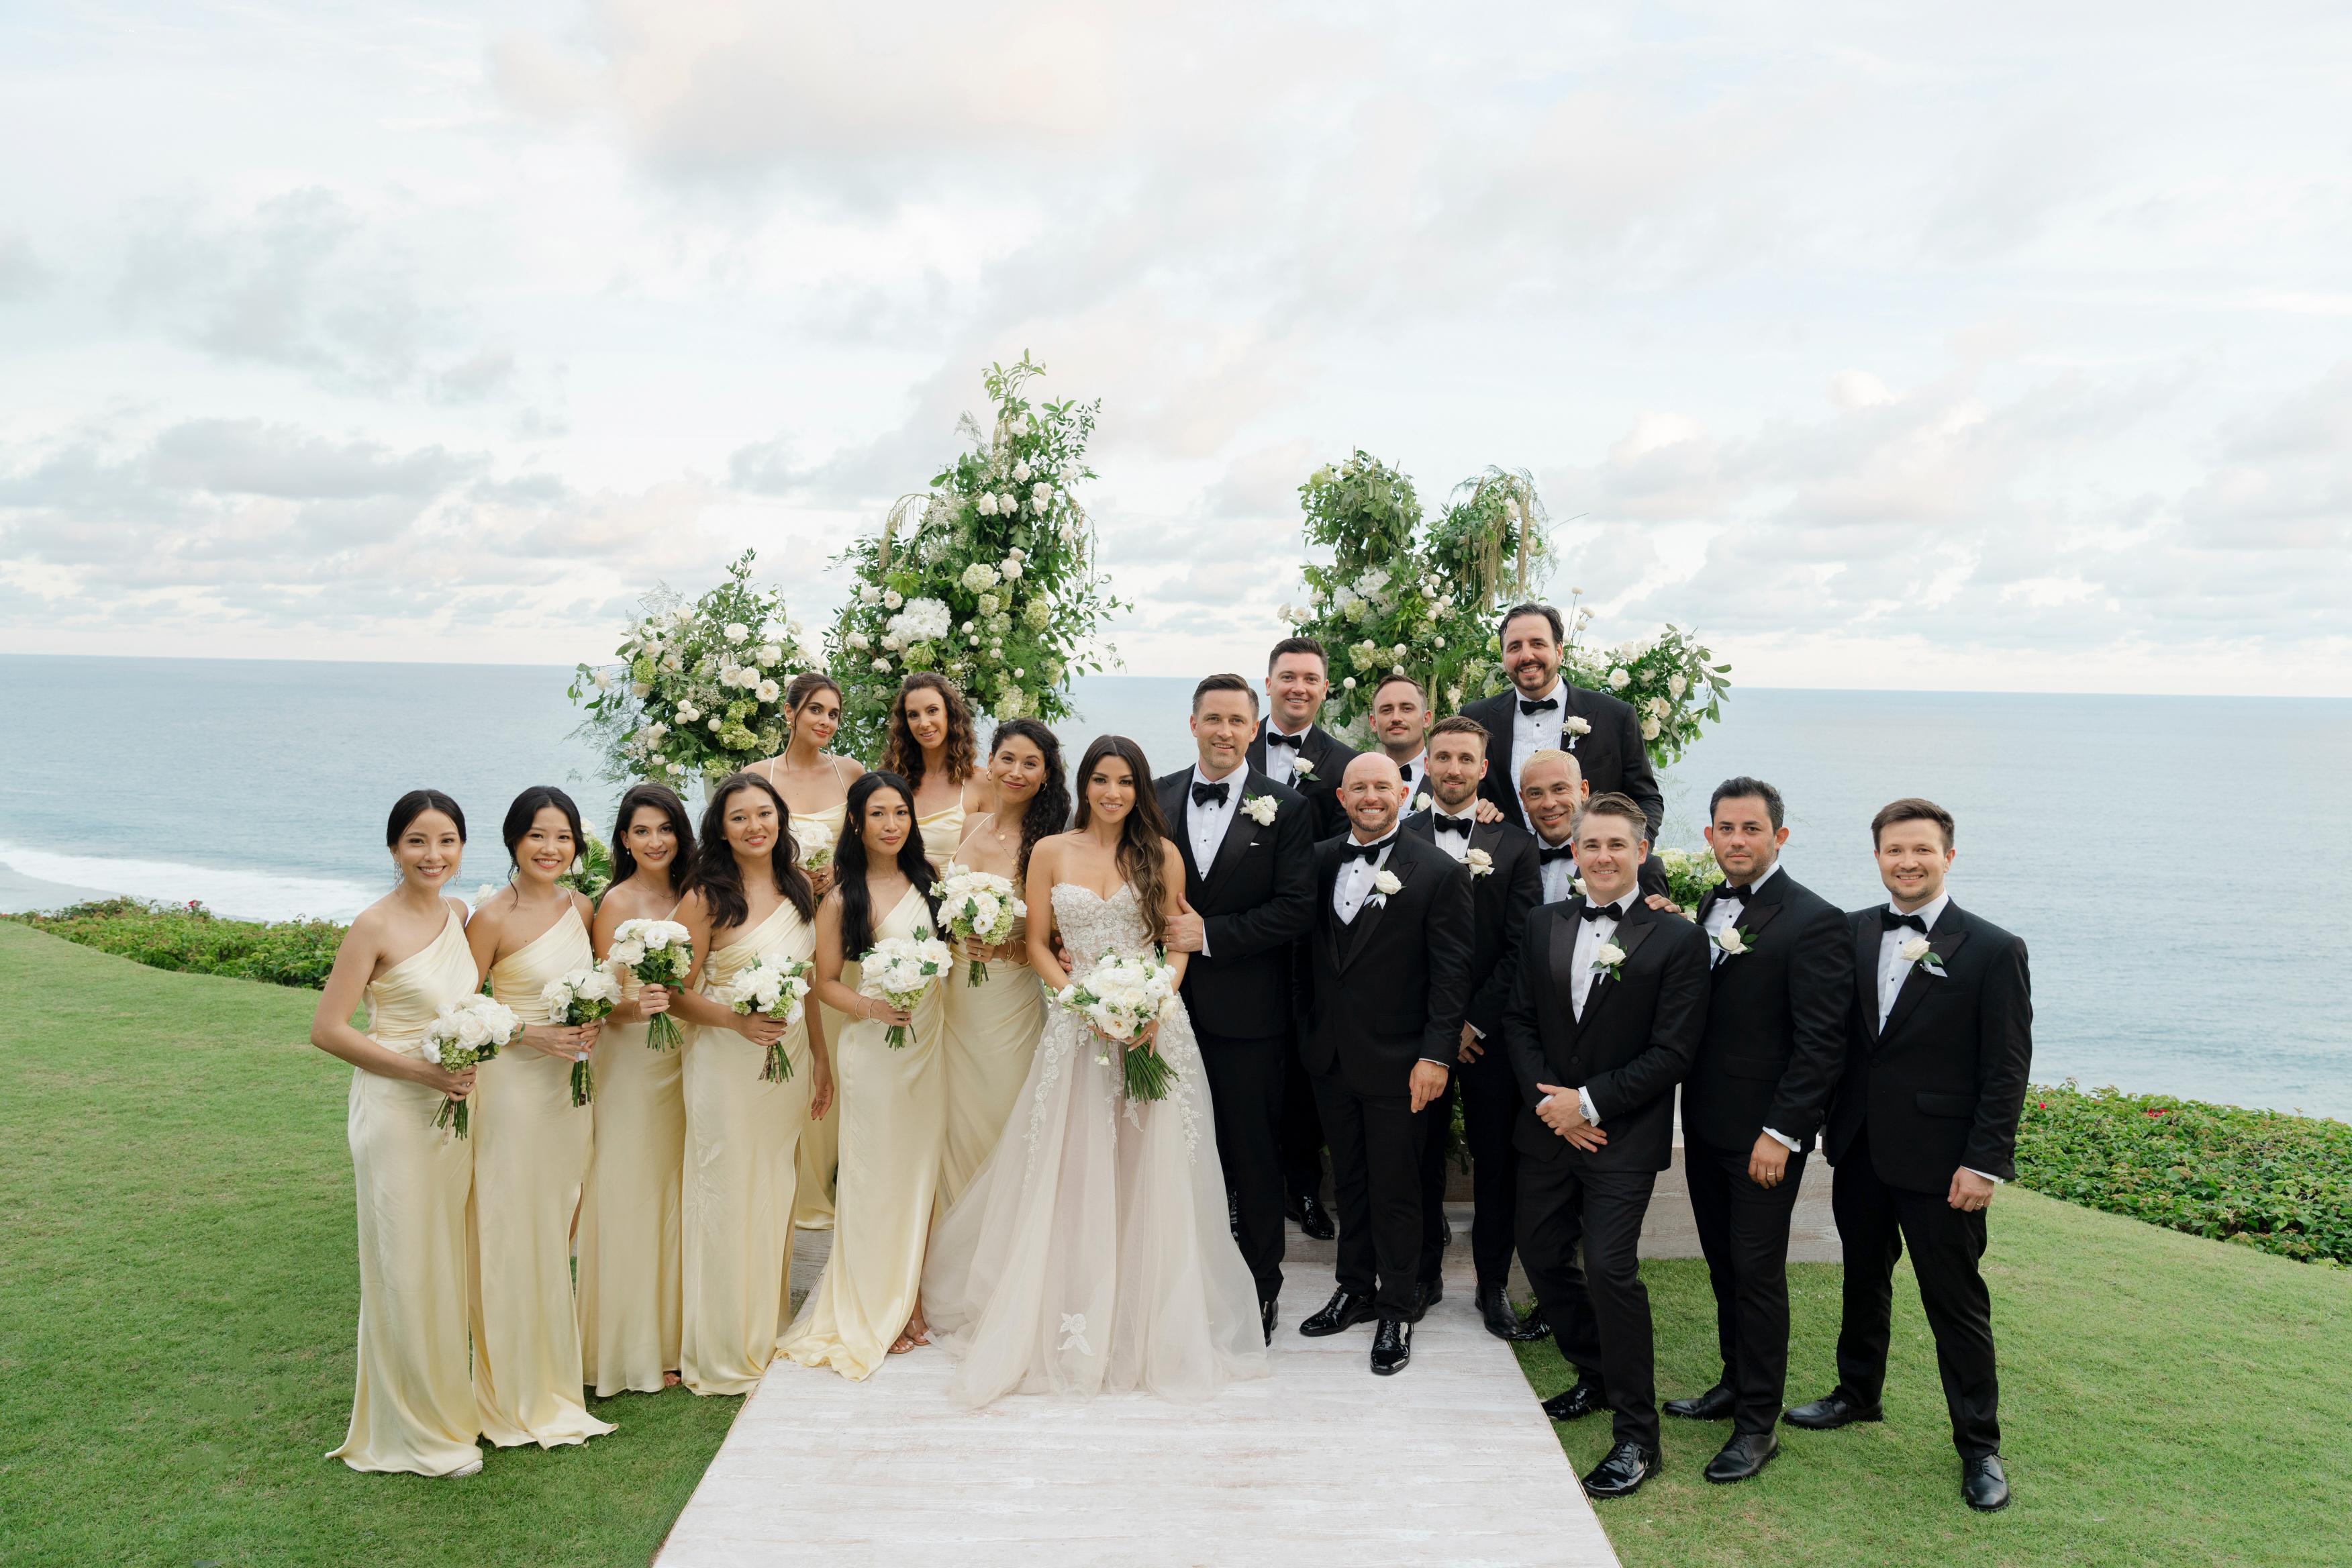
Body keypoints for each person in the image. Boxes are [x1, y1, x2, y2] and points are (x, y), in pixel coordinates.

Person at [924, 736, 1269, 1405]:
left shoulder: (1161, 855)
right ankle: (1074, 1310)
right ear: (1084, 785)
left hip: (1152, 1030)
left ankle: (1148, 1317)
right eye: (1101, 780)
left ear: (1140, 788)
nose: (1112, 792)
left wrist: (1152, 1004)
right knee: (1076, 1167)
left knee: (1150, 1165)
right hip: (1078, 1026)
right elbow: (1034, 944)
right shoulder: (1051, 851)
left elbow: (1176, 944)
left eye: (1125, 781)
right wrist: (1083, 1001)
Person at [1786, 798, 2032, 1514]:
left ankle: (1979, 1446)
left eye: (1921, 849)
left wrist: (1984, 1162)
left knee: (1955, 1304)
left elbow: (2006, 1065)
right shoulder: (1855, 929)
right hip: (1858, 1145)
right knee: (1863, 1280)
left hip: (1943, 1162)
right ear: (1878, 856)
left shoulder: (1993, 947)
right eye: (1895, 850)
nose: (1908, 861)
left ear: (1948, 856)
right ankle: (1857, 1393)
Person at [1502, 792, 1706, 1500]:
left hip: (1623, 1132)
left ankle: (1637, 1435)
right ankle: (1593, 1369)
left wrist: (1587, 1104)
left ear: (1641, 852)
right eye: (1592, 845)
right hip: (1548, 1124)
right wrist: (1553, 1104)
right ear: (1576, 852)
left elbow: (1674, 1050)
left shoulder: (1678, 939)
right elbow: (1519, 1020)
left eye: (1617, 845)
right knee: (1540, 1250)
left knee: (1613, 1268)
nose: (1604, 856)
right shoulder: (1542, 922)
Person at [1655, 777, 1850, 1484]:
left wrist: (1783, 1130)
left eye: (1751, 828)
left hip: (1765, 1137)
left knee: (1759, 1274)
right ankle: (1734, 1381)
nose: (1737, 839)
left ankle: (1757, 1424)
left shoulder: (1814, 919)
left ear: (1779, 836)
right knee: (1723, 1264)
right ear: (1709, 837)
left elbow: (1821, 1043)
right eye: (1725, 828)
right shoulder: (1711, 903)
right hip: (1705, 1122)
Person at [312, 790, 485, 1477]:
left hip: (453, 1112)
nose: (433, 855)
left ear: (463, 847)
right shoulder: (372, 925)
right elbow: (328, 1029)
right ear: (393, 849)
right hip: (394, 1109)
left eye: (446, 840)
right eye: (417, 841)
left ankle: (448, 1406)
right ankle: (413, 1431)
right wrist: (422, 1071)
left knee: (443, 1257)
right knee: (404, 1260)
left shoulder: (460, 913)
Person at [1293, 752, 1473, 1377]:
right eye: (1358, 788)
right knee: (1348, 1180)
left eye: (1382, 786)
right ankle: (1354, 1288)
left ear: (1403, 791)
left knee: (1398, 1187)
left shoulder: (1439, 871)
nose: (1371, 796)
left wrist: (1435, 1055)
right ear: (1341, 797)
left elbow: (1452, 976)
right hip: (1331, 1057)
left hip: (1404, 1063)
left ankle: (1398, 1306)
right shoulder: (1315, 862)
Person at [1153, 675, 1318, 1335]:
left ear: (1255, 729)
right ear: (1192, 723)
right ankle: (1170, 1280)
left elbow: (1297, 908)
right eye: (1212, 718)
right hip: (1159, 1009)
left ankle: (1258, 1287)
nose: (1224, 730)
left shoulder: (1288, 806)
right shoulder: (1156, 796)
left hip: (1249, 1015)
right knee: (1165, 1146)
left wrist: (1211, 935)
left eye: (1237, 720)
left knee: (1251, 1152)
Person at [665, 773, 832, 1395]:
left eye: (765, 814)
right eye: (740, 817)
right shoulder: (705, 897)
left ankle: (766, 1328)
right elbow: (677, 996)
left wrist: (819, 1055)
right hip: (725, 1063)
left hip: (785, 1062)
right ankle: (722, 1345)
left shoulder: (799, 890)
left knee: (774, 1187)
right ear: (721, 828)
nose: (755, 826)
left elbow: (809, 982)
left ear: (780, 820)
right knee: (726, 1192)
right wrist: (735, 1020)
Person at [780, 772, 949, 1376]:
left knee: (922, 1175)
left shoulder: (932, 885)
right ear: (857, 823)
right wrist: (872, 1006)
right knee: (875, 1179)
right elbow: (822, 981)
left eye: (901, 813)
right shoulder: (841, 897)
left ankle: (914, 1299)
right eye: (878, 814)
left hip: (929, 1051)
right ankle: (877, 1304)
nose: (892, 824)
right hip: (874, 1052)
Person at [465, 787, 616, 1450]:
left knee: (559, 1220)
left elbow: (593, 986)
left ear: (577, 844)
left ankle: (553, 1367)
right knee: (513, 1224)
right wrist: (533, 1034)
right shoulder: (491, 917)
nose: (550, 847)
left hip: (571, 1091)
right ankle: (512, 1381)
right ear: (513, 841)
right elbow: (460, 1010)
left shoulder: (581, 906)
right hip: (515, 1091)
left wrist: (595, 1018)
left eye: (562, 836)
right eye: (537, 835)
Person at [1399, 716, 1549, 1342]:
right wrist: (1437, 1028)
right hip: (1417, 1035)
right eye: (1443, 758)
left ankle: (1492, 1285)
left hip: (1488, 1036)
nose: (1454, 769)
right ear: (1426, 766)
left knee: (1495, 1165)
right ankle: (1423, 1275)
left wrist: (1472, 1021)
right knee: (1418, 1158)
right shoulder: (1397, 836)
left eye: (1466, 759)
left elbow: (1521, 945)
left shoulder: (1515, 846)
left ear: (1484, 769)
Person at [581, 783, 695, 1396]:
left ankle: (678, 1337)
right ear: (624, 839)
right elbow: (603, 1004)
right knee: (631, 1189)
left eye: (666, 828)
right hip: (630, 1063)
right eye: (642, 830)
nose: (656, 841)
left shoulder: (696, 896)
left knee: (679, 1189)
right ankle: (625, 1346)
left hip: (689, 1055)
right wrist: (638, 1005)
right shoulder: (616, 903)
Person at [1242, 637, 1357, 1236]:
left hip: (1310, 943)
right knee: (1248, 1071)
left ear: (1325, 687)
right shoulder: (1236, 746)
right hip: (1241, 945)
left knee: (1307, 1071)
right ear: (1269, 683)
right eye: (1288, 677)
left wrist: (1281, 864)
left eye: (1311, 678)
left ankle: (1306, 1190)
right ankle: (1242, 1190)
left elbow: (1343, 850)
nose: (1299, 688)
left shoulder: (1344, 763)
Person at [936, 718, 1068, 1209]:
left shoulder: (1050, 844)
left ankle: (997, 1227)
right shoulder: (970, 826)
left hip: (1007, 998)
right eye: (1007, 759)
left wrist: (1003, 949)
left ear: (1047, 776)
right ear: (989, 764)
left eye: (1031, 763)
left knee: (998, 1111)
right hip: (953, 997)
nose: (1016, 771)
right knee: (952, 1117)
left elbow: (1056, 939)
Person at [756, 671, 866, 1233]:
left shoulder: (850, 774)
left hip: (837, 926)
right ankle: (787, 1182)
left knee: (838, 1048)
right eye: (815, 711)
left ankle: (833, 1178)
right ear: (790, 713)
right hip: (780, 919)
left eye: (833, 714)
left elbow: (875, 838)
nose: (825, 722)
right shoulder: (757, 777)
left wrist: (839, 874)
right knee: (794, 1041)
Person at [1460, 605, 1666, 895]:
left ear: (1559, 651)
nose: (1527, 655)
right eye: (1515, 647)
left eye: (1538, 644)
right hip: (1504, 885)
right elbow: (1461, 789)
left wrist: (1627, 856)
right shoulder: (1477, 718)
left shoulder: (1614, 716)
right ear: (1504, 657)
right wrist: (1476, 804)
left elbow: (1646, 799)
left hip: (1595, 881)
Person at [881, 673, 993, 869]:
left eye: (932, 711)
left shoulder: (981, 783)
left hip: (955, 897)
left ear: (949, 714)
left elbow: (994, 855)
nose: (924, 723)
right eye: (913, 715)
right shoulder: (892, 780)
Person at [1519, 748, 1589, 905]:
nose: (1549, 803)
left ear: (1583, 791)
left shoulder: (1626, 864)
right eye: (1536, 793)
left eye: (1559, 789)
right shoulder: (1509, 858)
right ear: (1524, 800)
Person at [1366, 673, 1432, 802]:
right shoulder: (1360, 778)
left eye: (1407, 709)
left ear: (1426, 719)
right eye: (1387, 710)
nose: (1396, 718)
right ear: (1373, 723)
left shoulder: (1450, 777)